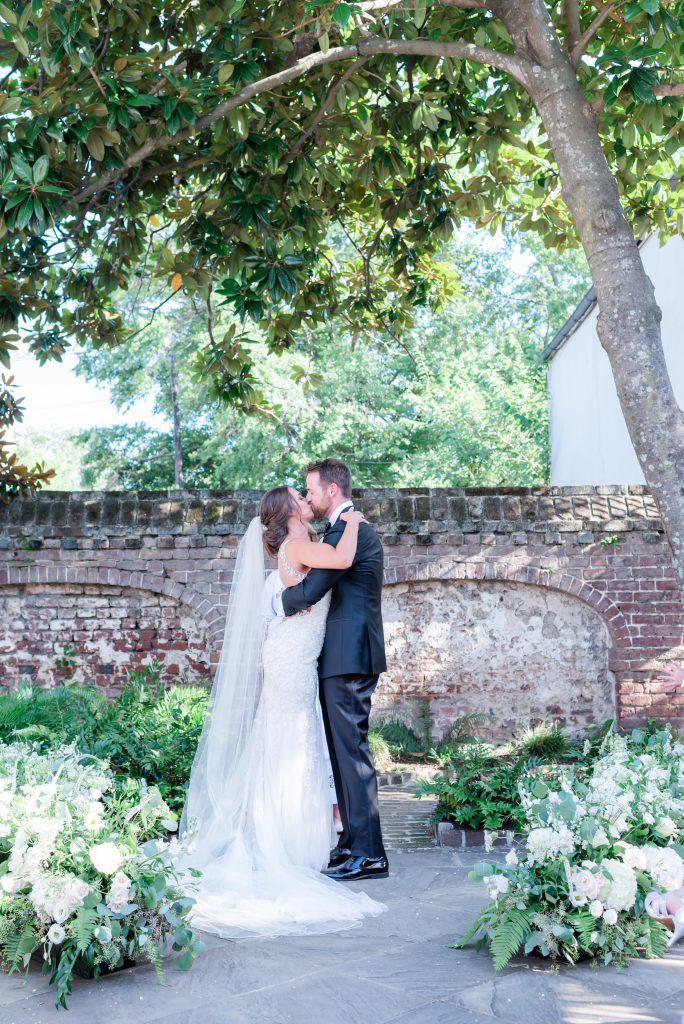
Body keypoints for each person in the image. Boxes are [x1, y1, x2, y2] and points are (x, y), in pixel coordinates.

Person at [176, 485, 386, 937]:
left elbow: (304, 591)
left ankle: (301, 836)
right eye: (300, 495)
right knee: (294, 737)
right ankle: (292, 842)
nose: (306, 499)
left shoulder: (298, 544)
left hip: (298, 652)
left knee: (294, 738)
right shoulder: (300, 544)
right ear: (290, 509)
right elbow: (342, 561)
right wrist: (350, 523)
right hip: (293, 654)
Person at [281, 459, 389, 882]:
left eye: (310, 490)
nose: (307, 498)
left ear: (331, 490)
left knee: (353, 754)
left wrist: (282, 604)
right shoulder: (341, 529)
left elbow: (311, 590)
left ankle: (370, 854)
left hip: (349, 656)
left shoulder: (353, 529)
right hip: (340, 656)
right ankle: (351, 846)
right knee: (343, 756)